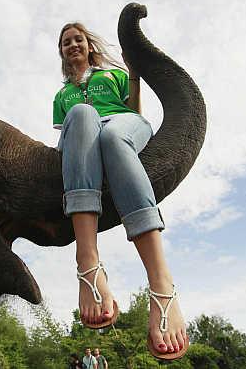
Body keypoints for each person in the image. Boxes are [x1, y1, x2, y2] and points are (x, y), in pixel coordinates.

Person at [53, 22, 189, 359]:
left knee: (113, 137)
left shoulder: (111, 74)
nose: (73, 45)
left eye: (78, 39)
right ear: (62, 51)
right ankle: (89, 264)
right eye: (67, 42)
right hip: (84, 133)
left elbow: (134, 110)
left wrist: (133, 75)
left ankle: (161, 284)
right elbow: (68, 138)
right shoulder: (62, 96)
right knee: (82, 113)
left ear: (88, 45)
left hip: (122, 126)